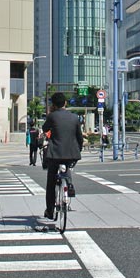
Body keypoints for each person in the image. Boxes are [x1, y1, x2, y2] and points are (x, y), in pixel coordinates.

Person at [40, 92, 83, 220]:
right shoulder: (74, 117)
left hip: (55, 153)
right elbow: (79, 137)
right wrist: (78, 150)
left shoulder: (52, 116)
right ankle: (69, 184)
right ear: (65, 103)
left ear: (53, 104)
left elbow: (44, 128)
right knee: (67, 167)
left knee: (51, 182)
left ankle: (50, 211)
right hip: (71, 153)